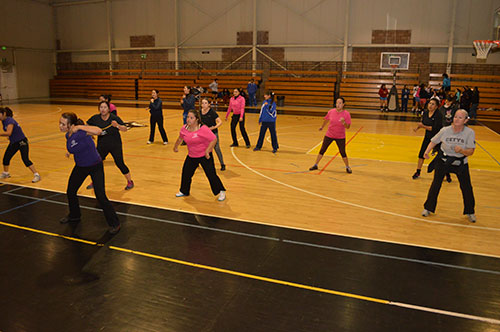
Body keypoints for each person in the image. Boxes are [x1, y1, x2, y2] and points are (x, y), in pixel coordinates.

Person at [58, 112, 121, 234]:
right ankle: (75, 215)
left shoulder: (80, 132)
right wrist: (69, 152)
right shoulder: (68, 135)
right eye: (60, 123)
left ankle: (115, 223)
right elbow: (75, 145)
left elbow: (98, 131)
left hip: (95, 166)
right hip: (81, 166)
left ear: (71, 125)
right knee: (70, 191)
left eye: (63, 124)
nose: (60, 126)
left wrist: (80, 127)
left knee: (100, 196)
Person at [422, 109, 476, 223]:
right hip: (443, 161)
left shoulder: (469, 133)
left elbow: (471, 151)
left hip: (460, 163)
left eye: (460, 117)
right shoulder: (445, 130)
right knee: (436, 184)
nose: (456, 119)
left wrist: (462, 150)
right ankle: (428, 208)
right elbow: (434, 141)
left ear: (466, 120)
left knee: (466, 187)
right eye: (456, 116)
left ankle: (470, 211)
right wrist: (426, 151)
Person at [173, 109, 226, 201]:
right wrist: (175, 146)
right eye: (188, 117)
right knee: (186, 173)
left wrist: (207, 151)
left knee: (211, 175)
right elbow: (180, 138)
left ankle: (221, 191)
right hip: (192, 156)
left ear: (197, 119)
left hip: (204, 156)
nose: (188, 119)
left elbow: (214, 139)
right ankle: (184, 191)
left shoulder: (203, 129)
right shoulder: (184, 128)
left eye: (191, 118)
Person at [86, 101, 134, 190]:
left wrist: (117, 126)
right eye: (101, 107)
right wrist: (91, 133)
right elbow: (87, 125)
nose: (103, 109)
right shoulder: (95, 118)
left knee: (120, 163)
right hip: (102, 145)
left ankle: (130, 181)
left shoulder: (114, 118)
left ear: (108, 109)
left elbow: (125, 129)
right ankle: (94, 181)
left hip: (115, 145)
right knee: (96, 164)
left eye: (105, 107)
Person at [309, 97, 352, 173]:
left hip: (340, 136)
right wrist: (322, 127)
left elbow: (348, 127)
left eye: (340, 103)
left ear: (343, 104)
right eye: (337, 103)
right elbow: (326, 120)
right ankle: (315, 164)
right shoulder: (331, 112)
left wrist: (344, 122)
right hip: (329, 134)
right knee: (322, 149)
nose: (338, 105)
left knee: (342, 152)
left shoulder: (346, 114)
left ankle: (347, 167)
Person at [0, 107, 41, 183]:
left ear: (4, 114)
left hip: (22, 142)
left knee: (25, 159)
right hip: (14, 142)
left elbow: (9, 132)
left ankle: (37, 175)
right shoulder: (3, 121)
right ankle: (6, 173)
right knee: (6, 158)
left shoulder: (9, 120)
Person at [412, 98, 442, 180]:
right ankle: (418, 172)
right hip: (428, 137)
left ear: (436, 106)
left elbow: (434, 129)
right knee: (421, 154)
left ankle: (446, 174)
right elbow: (423, 123)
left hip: (438, 138)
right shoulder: (425, 113)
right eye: (429, 103)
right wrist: (417, 128)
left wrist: (423, 127)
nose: (430, 105)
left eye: (433, 104)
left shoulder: (438, 115)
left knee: (442, 156)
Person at [200, 98, 225, 171]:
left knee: (216, 148)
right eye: (202, 103)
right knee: (203, 148)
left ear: (209, 105)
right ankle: (201, 163)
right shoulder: (200, 112)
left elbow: (220, 122)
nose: (203, 105)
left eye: (205, 103)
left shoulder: (212, 112)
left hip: (213, 133)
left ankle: (222, 164)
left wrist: (213, 127)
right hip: (204, 134)